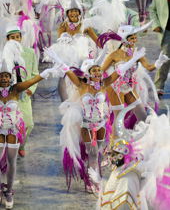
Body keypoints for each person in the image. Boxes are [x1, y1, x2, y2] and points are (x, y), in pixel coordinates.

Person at [44, 44, 146, 192]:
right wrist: (55, 57)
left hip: (101, 125)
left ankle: (92, 176)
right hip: (86, 124)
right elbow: (66, 69)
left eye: (99, 70)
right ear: (89, 74)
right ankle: (92, 181)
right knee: (91, 154)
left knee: (97, 152)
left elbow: (120, 71)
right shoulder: (81, 85)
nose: (98, 72)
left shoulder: (104, 84)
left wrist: (135, 59)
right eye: (95, 71)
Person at [0, 40, 56, 209]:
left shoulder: (16, 89)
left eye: (6, 76)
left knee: (11, 161)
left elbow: (33, 81)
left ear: (10, 78)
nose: (3, 78)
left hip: (12, 130)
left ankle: (9, 191)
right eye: (1, 76)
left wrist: (46, 72)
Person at [100, 21, 168, 141]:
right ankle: (113, 148)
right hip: (115, 88)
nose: (135, 40)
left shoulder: (137, 53)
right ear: (125, 39)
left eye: (136, 37)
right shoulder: (114, 55)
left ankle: (136, 142)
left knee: (142, 115)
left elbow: (149, 67)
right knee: (118, 118)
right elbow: (100, 71)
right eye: (132, 38)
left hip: (128, 87)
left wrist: (159, 62)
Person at [44, 0, 102, 102]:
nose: (74, 13)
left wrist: (110, 43)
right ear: (67, 13)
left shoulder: (86, 25)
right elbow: (61, 43)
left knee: (78, 86)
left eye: (76, 10)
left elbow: (98, 42)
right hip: (67, 61)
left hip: (82, 62)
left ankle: (82, 107)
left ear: (80, 12)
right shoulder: (62, 26)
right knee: (62, 87)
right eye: (71, 11)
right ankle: (68, 108)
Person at [6, 25, 39, 157]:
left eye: (17, 37)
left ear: (21, 38)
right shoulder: (3, 55)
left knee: (29, 124)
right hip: (8, 96)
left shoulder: (30, 53)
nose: (15, 40)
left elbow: (34, 73)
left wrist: (31, 89)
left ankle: (21, 144)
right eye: (12, 37)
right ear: (7, 39)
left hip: (24, 95)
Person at [149, 0, 170, 98]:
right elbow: (153, 12)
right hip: (166, 32)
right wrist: (155, 25)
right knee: (166, 58)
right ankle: (159, 86)